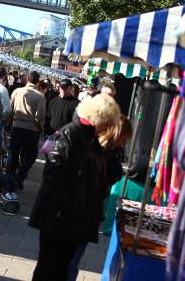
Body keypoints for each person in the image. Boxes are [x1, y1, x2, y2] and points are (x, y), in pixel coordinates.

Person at [28, 94, 122, 281]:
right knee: (49, 269)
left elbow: (113, 174)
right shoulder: (70, 133)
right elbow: (53, 175)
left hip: (75, 219)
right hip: (59, 219)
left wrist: (110, 147)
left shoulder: (94, 140)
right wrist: (62, 211)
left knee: (62, 269)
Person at [67, 113, 132, 281]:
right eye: (123, 139)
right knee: (70, 262)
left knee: (70, 261)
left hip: (82, 214)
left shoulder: (99, 151)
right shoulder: (96, 152)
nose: (124, 144)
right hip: (78, 214)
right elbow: (114, 174)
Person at [7, 71, 46, 190]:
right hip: (31, 130)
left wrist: (10, 122)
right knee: (31, 154)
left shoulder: (17, 91)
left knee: (13, 153)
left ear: (27, 78)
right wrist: (41, 128)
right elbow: (40, 116)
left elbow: (10, 109)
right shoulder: (40, 96)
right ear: (38, 81)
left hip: (17, 126)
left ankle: (9, 178)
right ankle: (21, 174)